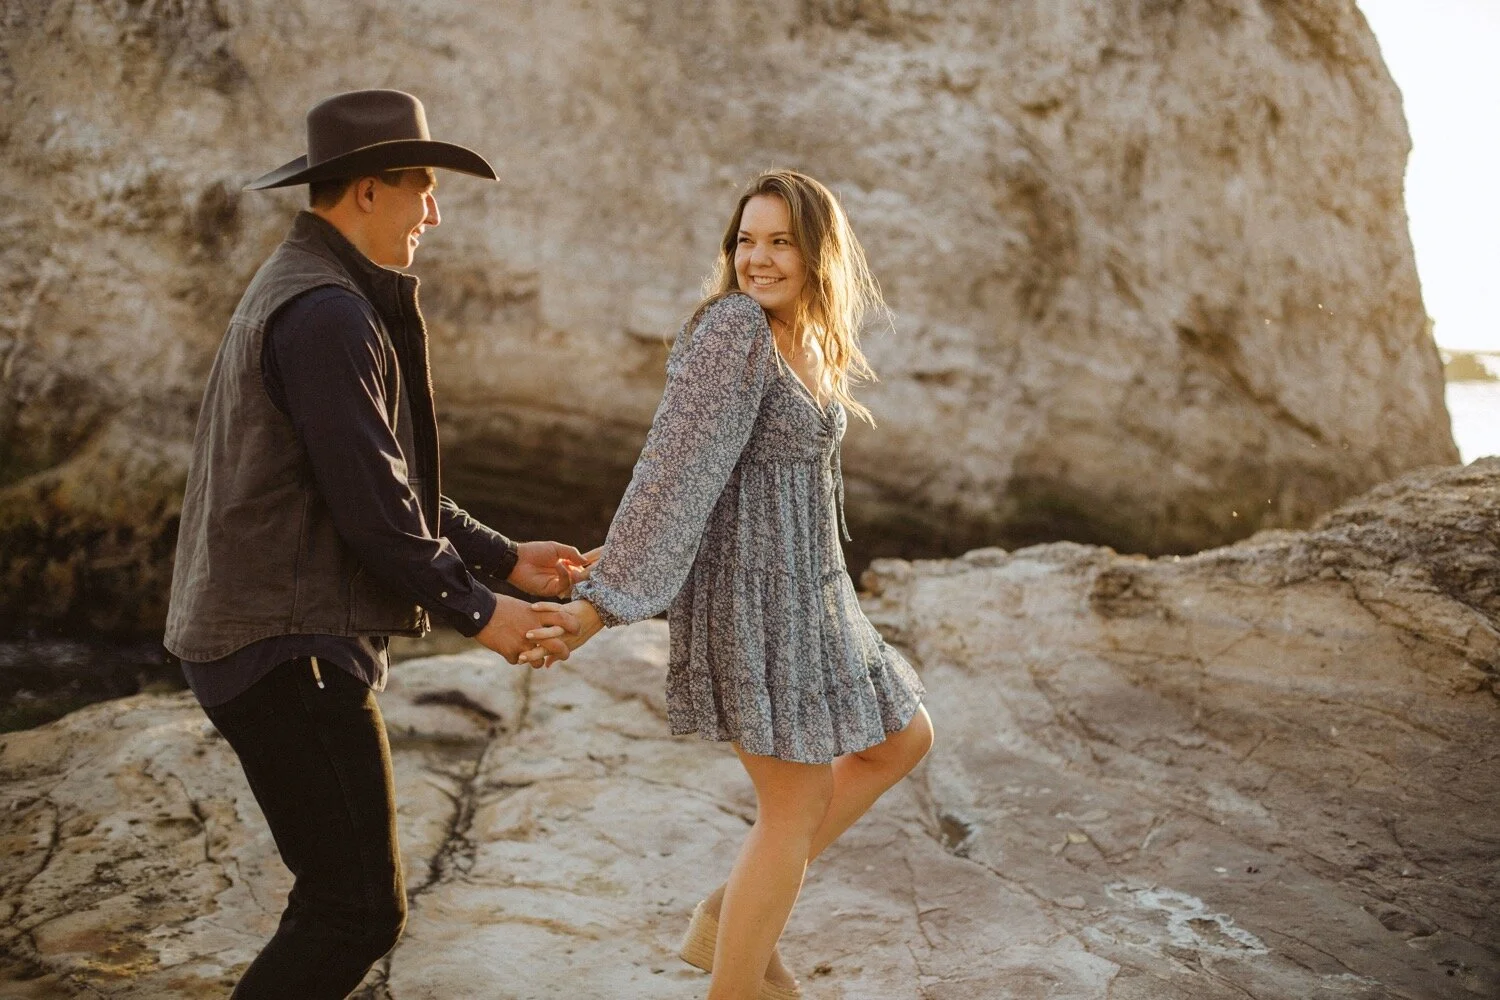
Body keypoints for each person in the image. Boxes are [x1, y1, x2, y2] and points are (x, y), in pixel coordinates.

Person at [162, 89, 586, 999]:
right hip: (285, 650)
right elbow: (371, 509)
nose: (434, 210)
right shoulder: (327, 313)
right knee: (355, 910)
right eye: (422, 187)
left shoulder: (314, 289)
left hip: (263, 640)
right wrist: (483, 612)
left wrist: (500, 554)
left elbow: (373, 470)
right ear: (363, 191)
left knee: (340, 902)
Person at [527, 170, 934, 1000]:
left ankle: (727, 915)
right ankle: (739, 985)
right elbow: (677, 466)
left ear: (817, 252)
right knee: (795, 805)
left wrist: (618, 553)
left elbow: (725, 476)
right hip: (752, 607)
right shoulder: (734, 330)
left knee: (902, 738)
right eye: (746, 240)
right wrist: (604, 603)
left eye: (779, 240)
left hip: (814, 600)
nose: (757, 257)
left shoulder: (807, 338)